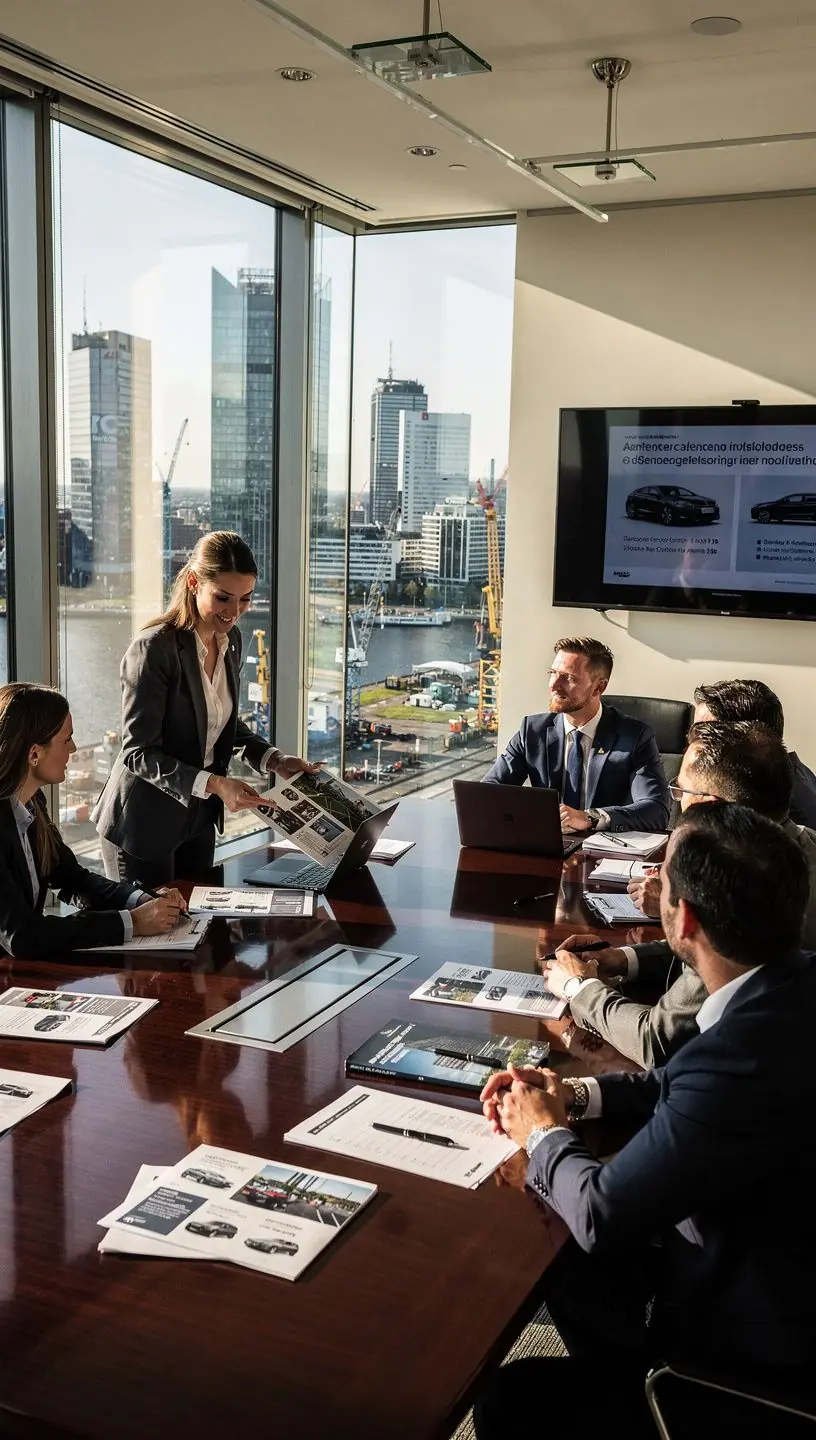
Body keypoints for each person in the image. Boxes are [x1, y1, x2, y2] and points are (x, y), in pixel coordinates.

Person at [475, 804, 816, 1439]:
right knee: (566, 1257)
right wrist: (578, 1097)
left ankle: (642, 1389)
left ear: (682, 919)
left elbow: (604, 1215)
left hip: (748, 1358)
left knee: (510, 1397)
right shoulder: (789, 993)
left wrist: (540, 1133)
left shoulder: (733, 1061)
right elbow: (677, 1086)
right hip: (779, 1265)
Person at [546, 721, 816, 1066]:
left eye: (681, 791)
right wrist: (624, 958)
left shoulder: (739, 886)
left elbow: (657, 1042)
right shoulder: (796, 850)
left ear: (709, 804)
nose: (679, 803)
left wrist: (577, 988)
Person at [93, 532, 316, 885]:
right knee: (158, 934)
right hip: (144, 825)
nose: (235, 611)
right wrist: (215, 783)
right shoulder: (155, 649)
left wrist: (274, 760)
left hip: (197, 819)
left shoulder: (232, 642)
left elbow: (220, 725)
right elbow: (138, 753)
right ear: (195, 582)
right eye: (223, 598)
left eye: (245, 599)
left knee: (201, 929)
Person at [0, 684, 183, 960]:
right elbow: (21, 935)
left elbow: (73, 879)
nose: (74, 748)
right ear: (34, 753)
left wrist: (142, 900)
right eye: (67, 740)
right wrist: (131, 923)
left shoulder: (32, 802)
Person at [483, 637, 669, 835]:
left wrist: (590, 817)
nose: (554, 685)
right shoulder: (532, 730)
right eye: (553, 673)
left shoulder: (635, 737)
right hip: (545, 846)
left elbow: (656, 809)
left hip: (606, 852)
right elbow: (488, 793)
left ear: (599, 687)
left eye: (569, 678)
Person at [693, 677, 816, 827]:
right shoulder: (780, 776)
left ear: (751, 737)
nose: (693, 744)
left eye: (703, 735)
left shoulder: (778, 812)